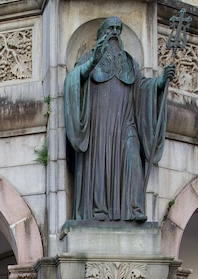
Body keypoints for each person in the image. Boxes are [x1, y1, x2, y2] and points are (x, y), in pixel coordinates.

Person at [63, 16, 175, 223]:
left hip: (126, 124)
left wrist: (160, 83)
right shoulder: (89, 58)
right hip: (98, 127)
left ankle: (133, 209)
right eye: (109, 28)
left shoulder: (130, 63)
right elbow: (74, 80)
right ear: (101, 33)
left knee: (133, 157)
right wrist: (92, 62)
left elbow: (142, 89)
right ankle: (98, 211)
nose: (114, 32)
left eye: (117, 28)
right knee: (98, 167)